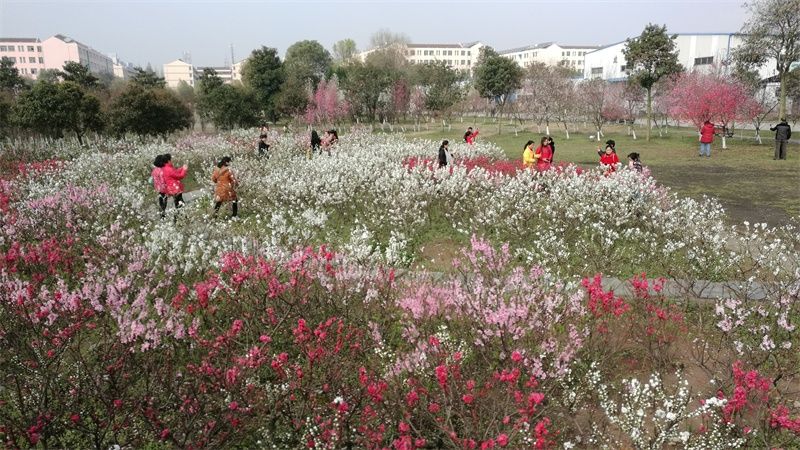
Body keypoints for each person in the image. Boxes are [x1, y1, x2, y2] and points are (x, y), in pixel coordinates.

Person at [160, 153, 187, 220]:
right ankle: (178, 219)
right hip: (175, 189)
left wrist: (182, 168)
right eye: (171, 160)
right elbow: (180, 176)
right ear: (168, 160)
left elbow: (175, 172)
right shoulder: (169, 169)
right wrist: (184, 169)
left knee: (178, 204)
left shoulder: (165, 168)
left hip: (171, 189)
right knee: (180, 204)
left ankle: (182, 219)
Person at [151, 154, 168, 219]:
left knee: (160, 199)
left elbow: (153, 177)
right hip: (163, 187)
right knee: (164, 200)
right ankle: (163, 213)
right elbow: (163, 180)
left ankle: (161, 212)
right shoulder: (162, 170)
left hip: (157, 187)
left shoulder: (155, 170)